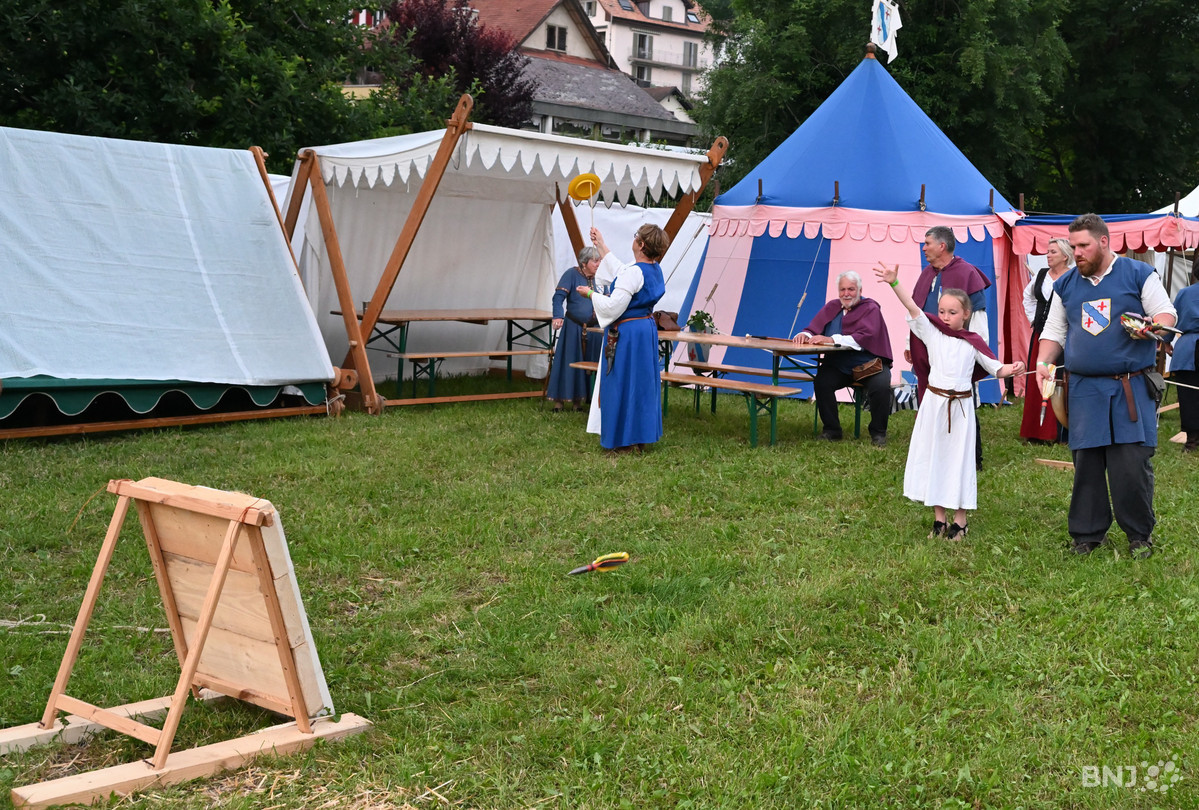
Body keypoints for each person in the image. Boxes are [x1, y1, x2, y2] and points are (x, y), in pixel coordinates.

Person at [1035, 213, 1177, 558]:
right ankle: (1087, 534)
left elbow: (1166, 315)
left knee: (1131, 465)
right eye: (1073, 246)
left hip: (1131, 387)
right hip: (1084, 388)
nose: (1076, 253)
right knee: (1087, 464)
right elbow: (1054, 331)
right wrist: (1043, 362)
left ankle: (1139, 535)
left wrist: (1152, 328)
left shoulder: (1138, 274)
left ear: (1103, 241)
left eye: (1083, 245)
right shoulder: (1066, 284)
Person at [876, 261, 1023, 540]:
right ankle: (939, 519)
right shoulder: (933, 333)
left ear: (966, 314)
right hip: (934, 406)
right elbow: (913, 308)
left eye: (952, 312)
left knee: (958, 461)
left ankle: (960, 521)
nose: (944, 317)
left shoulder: (973, 342)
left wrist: (1013, 368)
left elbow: (996, 368)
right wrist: (895, 282)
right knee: (935, 457)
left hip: (961, 410)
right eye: (942, 311)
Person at [909, 226, 993, 469]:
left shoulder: (967, 273)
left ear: (942, 246)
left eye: (927, 243)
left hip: (958, 351)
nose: (923, 248)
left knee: (962, 401)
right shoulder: (927, 274)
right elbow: (917, 311)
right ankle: (936, 454)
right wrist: (908, 343)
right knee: (931, 399)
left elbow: (978, 316)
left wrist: (978, 347)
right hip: (929, 349)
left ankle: (972, 458)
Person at [581, 224, 669, 452]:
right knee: (640, 383)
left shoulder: (635, 273)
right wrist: (601, 244)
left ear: (641, 244)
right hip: (644, 330)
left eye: (636, 236)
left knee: (621, 381)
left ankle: (623, 441)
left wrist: (590, 294)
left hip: (628, 334)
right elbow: (623, 270)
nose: (634, 239)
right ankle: (639, 437)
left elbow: (613, 306)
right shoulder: (654, 269)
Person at [792, 270, 894, 447]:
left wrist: (832, 339)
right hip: (840, 364)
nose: (846, 294)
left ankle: (878, 433)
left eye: (851, 289)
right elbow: (813, 328)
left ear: (860, 290)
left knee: (881, 386)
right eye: (842, 289)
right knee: (822, 382)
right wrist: (804, 334)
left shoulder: (871, 308)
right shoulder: (832, 306)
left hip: (870, 364)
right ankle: (832, 430)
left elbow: (865, 337)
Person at [1019, 237, 1072, 442]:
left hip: (1065, 337)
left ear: (1065, 256)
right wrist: (1035, 319)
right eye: (1048, 251)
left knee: (1060, 381)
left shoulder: (1073, 277)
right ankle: (1036, 430)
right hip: (1041, 336)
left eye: (1053, 252)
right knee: (1039, 379)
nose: (1048, 255)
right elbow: (1028, 297)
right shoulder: (1041, 275)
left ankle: (1061, 431)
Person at [546, 247, 602, 412]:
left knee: (590, 365)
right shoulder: (571, 274)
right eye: (595, 261)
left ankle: (580, 402)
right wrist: (558, 316)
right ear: (584, 263)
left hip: (595, 330)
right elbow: (558, 297)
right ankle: (559, 402)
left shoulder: (601, 278)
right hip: (573, 327)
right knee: (569, 362)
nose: (598, 264)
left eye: (599, 261)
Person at [1170, 267, 1199, 452]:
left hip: (1187, 348)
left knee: (1188, 395)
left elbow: (1172, 319)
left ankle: (1192, 441)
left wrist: (1166, 341)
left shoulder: (1185, 293)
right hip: (1189, 347)